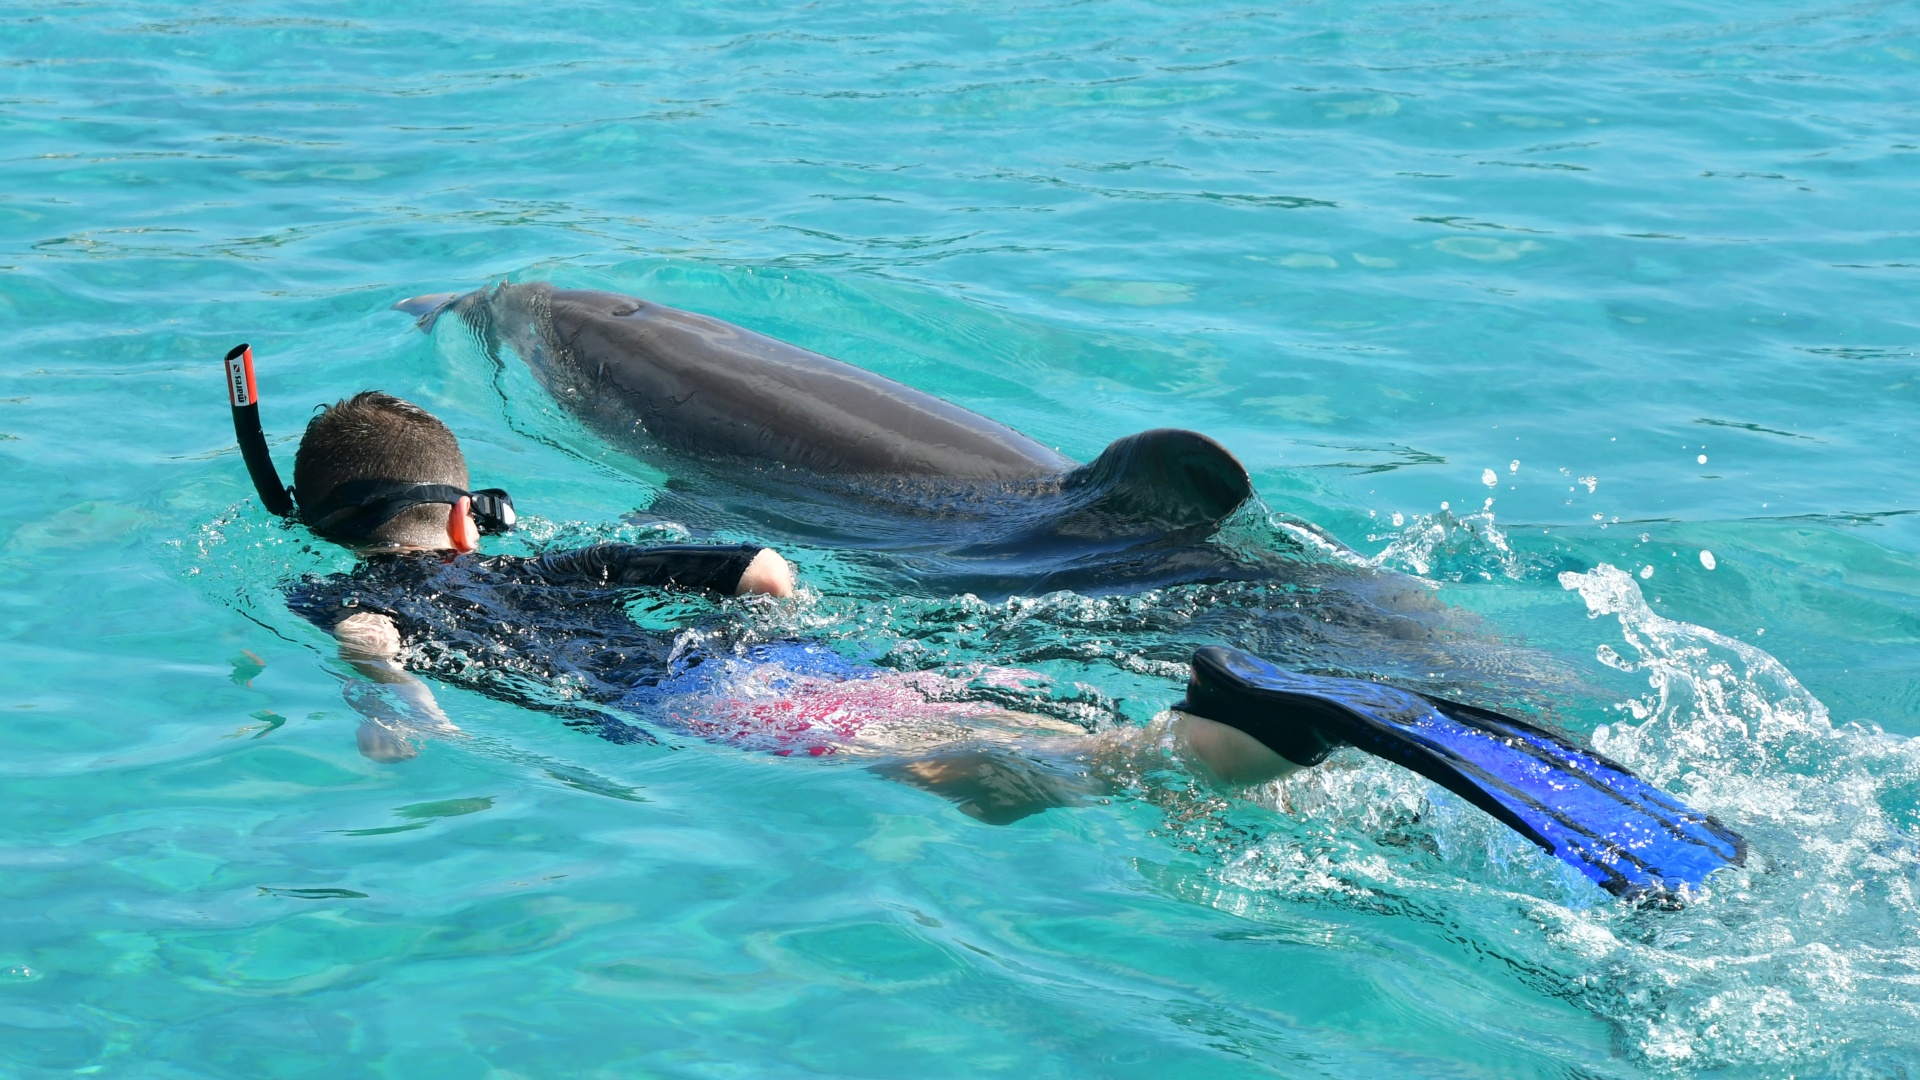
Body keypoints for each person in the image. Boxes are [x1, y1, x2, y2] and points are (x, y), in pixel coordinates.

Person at [252, 381, 1742, 901]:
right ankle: (1265, 742)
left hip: (715, 716)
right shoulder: (568, 556)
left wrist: (400, 717)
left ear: (335, 532)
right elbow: (761, 565)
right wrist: (789, 634)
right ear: (470, 513)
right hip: (781, 667)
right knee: (989, 738)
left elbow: (377, 633)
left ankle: (1248, 729)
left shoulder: (358, 595)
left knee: (974, 775)